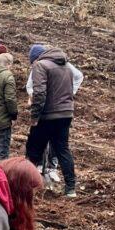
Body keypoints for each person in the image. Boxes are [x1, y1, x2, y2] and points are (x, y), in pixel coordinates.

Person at [25, 44, 77, 198]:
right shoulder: (66, 66)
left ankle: (26, 184)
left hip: (48, 115)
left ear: (34, 59)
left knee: (33, 149)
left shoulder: (40, 65)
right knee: (62, 149)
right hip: (66, 114)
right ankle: (70, 188)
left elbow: (39, 93)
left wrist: (35, 116)